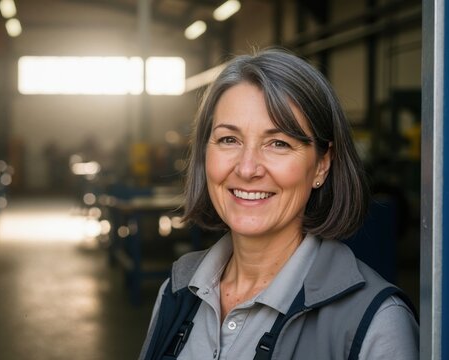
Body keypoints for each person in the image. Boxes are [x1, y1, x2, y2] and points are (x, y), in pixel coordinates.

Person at [139, 49, 419, 360]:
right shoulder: (176, 292)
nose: (247, 169)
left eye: (278, 143)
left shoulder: (376, 323)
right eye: (229, 140)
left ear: (322, 165)